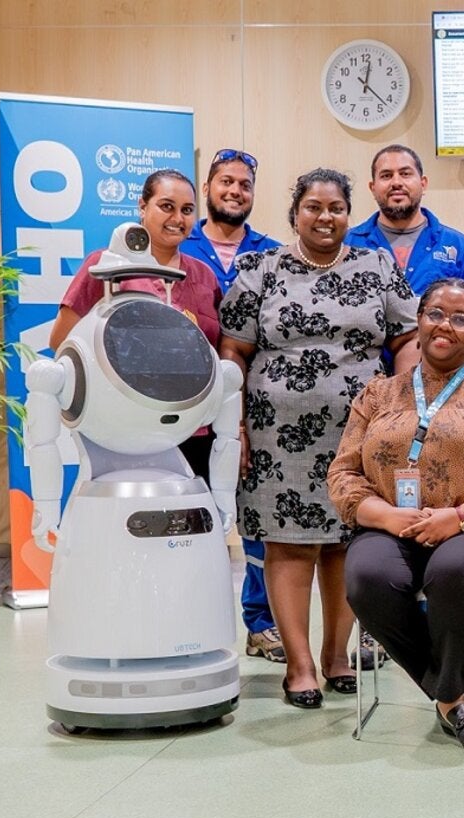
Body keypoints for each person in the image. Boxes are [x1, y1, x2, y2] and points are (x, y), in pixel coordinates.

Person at [219, 168, 419, 708]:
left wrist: (401, 406)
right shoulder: (260, 268)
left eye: (334, 208)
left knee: (345, 541)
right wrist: (232, 422)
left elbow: (407, 338)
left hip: (359, 432)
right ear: (295, 213)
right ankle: (300, 664)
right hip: (275, 433)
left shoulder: (376, 266)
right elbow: (233, 351)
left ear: (348, 214)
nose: (324, 217)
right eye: (313, 207)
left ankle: (337, 655)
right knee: (288, 544)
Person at [330, 279, 464, 752]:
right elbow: (343, 475)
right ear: (418, 322)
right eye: (435, 313)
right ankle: (459, 685)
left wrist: (459, 518)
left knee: (453, 570)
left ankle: (449, 697)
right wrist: (385, 517)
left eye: (460, 317)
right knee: (367, 577)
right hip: (392, 525)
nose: (445, 325)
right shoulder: (378, 395)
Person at [179, 148, 287, 666]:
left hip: (252, 400)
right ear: (208, 188)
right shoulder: (183, 248)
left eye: (244, 184)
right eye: (226, 182)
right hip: (185, 406)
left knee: (257, 517)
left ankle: (262, 624)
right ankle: (191, 619)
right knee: (192, 512)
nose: (235, 191)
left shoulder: (272, 253)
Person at [51, 168, 222, 477]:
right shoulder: (103, 266)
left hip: (192, 429)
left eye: (187, 210)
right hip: (122, 430)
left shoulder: (204, 277)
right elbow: (61, 341)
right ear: (142, 207)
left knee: (191, 518)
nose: (178, 218)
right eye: (166, 206)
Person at [345, 145, 464, 369]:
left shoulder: (456, 246)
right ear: (373, 187)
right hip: (364, 383)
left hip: (444, 384)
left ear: (423, 183)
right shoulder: (349, 245)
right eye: (386, 175)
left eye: (405, 173)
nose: (396, 182)